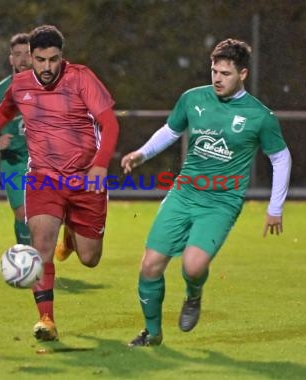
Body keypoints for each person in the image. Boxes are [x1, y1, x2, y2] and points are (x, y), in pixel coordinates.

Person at [0, 25, 119, 341]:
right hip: (42, 178)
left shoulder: (82, 78)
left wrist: (99, 165)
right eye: (40, 60)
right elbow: (2, 114)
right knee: (40, 247)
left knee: (89, 258)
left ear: (62, 57)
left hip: (85, 180)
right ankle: (47, 320)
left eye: (53, 60)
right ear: (31, 57)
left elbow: (110, 124)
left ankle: (71, 234)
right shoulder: (19, 84)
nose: (46, 67)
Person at [121, 38, 292, 347]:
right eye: (214, 71)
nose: (216, 78)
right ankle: (152, 333)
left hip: (221, 202)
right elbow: (171, 131)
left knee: (193, 265)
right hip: (184, 194)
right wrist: (142, 154)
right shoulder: (193, 99)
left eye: (225, 73)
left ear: (242, 74)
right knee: (149, 266)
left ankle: (193, 295)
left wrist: (275, 207)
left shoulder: (259, 116)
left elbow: (281, 157)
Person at [0, 33, 32, 246]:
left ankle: (42, 256)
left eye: (28, 54)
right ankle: (26, 257)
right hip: (14, 160)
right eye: (17, 54)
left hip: (46, 160)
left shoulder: (49, 88)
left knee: (48, 215)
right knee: (22, 213)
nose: (23, 59)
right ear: (10, 59)